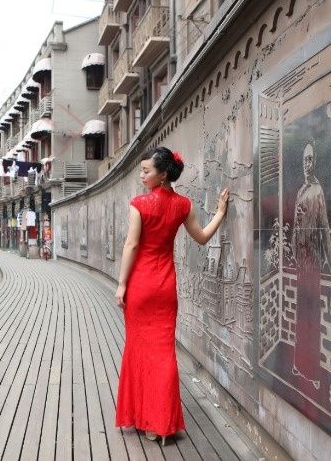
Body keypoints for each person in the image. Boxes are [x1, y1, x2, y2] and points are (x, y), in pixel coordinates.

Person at [114, 146, 229, 446]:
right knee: (164, 354)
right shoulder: (183, 205)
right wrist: (219, 213)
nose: (142, 176)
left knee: (139, 349)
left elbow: (131, 245)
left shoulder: (139, 204)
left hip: (141, 286)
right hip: (165, 287)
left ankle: (144, 418)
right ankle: (160, 423)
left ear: (163, 174)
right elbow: (202, 237)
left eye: (146, 171)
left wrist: (122, 284)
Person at [291, 143, 331, 394]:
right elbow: (296, 227)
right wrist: (294, 250)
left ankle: (314, 373)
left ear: (315, 162)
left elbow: (325, 228)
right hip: (301, 262)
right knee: (301, 315)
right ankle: (299, 365)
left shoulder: (317, 191)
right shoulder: (300, 191)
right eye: (304, 160)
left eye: (310, 159)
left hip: (314, 262)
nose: (306, 164)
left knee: (313, 317)